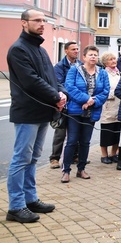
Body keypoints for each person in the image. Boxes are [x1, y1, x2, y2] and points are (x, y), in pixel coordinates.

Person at [5, 9, 66, 223]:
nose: (42, 24)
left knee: (32, 158)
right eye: (37, 20)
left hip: (43, 110)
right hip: (27, 112)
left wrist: (61, 92)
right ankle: (16, 206)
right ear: (24, 23)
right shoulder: (18, 49)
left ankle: (30, 199)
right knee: (21, 159)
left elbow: (51, 77)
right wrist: (55, 96)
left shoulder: (40, 48)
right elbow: (31, 80)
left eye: (43, 20)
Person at [61, 46, 110, 183]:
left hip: (92, 111)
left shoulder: (102, 72)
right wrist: (85, 99)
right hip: (75, 111)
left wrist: (92, 102)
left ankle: (81, 169)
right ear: (84, 57)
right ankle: (66, 171)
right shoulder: (75, 70)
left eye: (95, 54)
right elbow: (69, 87)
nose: (93, 57)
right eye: (90, 54)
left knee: (85, 141)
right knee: (71, 141)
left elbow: (105, 91)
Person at [50, 41, 80, 169]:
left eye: (77, 49)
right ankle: (55, 158)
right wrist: (70, 93)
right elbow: (58, 83)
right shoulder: (59, 67)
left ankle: (74, 156)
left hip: (76, 103)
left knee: (76, 131)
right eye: (73, 49)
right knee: (60, 132)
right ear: (66, 51)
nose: (76, 51)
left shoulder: (81, 65)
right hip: (64, 103)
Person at [99, 52, 121, 164]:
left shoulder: (120, 73)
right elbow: (101, 90)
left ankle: (114, 153)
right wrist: (114, 93)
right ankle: (104, 154)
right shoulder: (103, 74)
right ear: (105, 62)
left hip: (119, 105)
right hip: (108, 105)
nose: (113, 61)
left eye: (114, 59)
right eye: (110, 59)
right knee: (106, 131)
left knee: (117, 130)